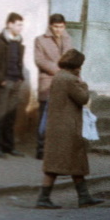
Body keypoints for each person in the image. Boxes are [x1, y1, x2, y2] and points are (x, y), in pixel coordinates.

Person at [38, 49, 102, 209]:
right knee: (63, 163)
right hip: (68, 128)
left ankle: (83, 196)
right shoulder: (70, 79)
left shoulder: (58, 76)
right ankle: (44, 198)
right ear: (76, 65)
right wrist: (84, 85)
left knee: (71, 162)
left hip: (57, 126)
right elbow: (83, 98)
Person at [0, 12, 28, 158]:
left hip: (15, 83)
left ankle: (8, 147)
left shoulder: (18, 43)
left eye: (22, 24)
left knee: (11, 117)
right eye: (18, 24)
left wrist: (20, 78)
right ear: (9, 24)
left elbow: (18, 64)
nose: (21, 28)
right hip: (3, 85)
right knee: (0, 116)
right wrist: (2, 81)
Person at [33, 14, 73, 159]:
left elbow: (72, 59)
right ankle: (41, 149)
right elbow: (39, 60)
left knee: (60, 120)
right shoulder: (40, 40)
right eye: (56, 27)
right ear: (50, 26)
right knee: (45, 118)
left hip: (64, 84)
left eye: (61, 27)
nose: (58, 30)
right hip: (48, 82)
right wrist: (58, 71)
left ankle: (56, 149)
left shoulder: (68, 39)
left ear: (65, 26)